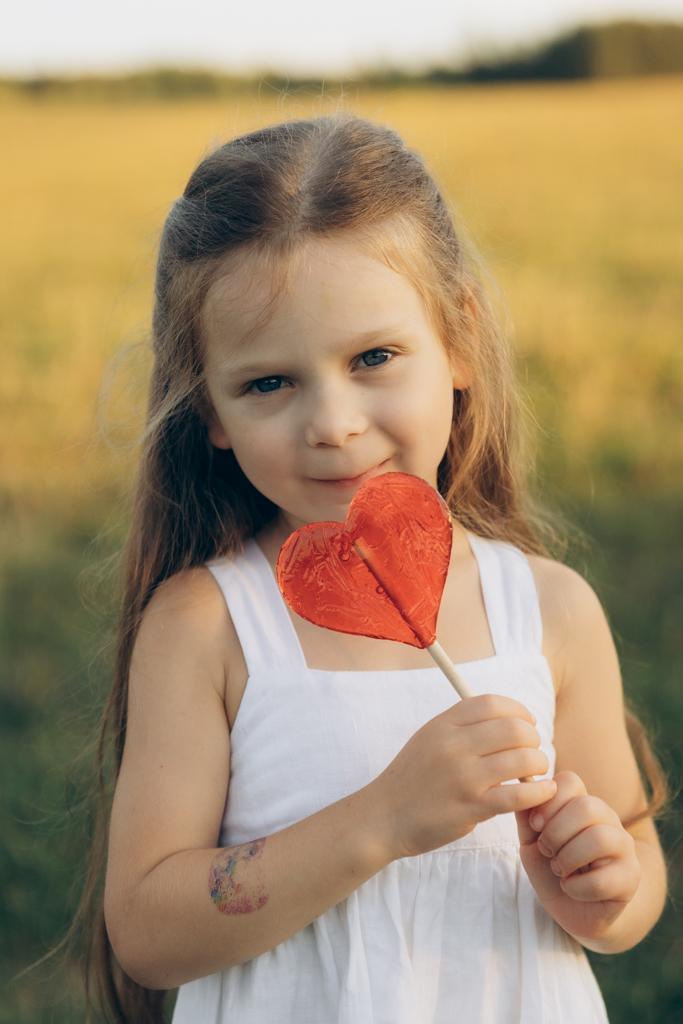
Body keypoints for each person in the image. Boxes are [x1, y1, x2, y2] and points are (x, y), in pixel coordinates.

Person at [89, 112, 667, 1023]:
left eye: (373, 357)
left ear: (458, 341)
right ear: (209, 410)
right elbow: (148, 929)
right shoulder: (209, 625)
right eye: (268, 382)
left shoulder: (548, 610)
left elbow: (630, 889)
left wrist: (602, 888)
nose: (333, 423)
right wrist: (380, 821)